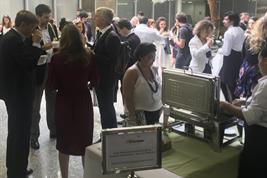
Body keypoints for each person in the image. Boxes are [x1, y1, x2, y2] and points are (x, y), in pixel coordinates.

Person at [47, 23, 97, 178]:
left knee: (64, 140)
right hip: (83, 100)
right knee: (85, 138)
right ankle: (86, 174)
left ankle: (65, 176)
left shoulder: (57, 57)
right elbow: (95, 80)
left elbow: (51, 84)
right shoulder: (89, 55)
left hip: (64, 100)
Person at [0, 10, 42, 178]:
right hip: (18, 94)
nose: (33, 31)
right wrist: (36, 44)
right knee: (20, 132)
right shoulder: (13, 41)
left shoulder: (13, 38)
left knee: (17, 131)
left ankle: (16, 166)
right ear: (23, 24)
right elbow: (28, 63)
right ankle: (16, 171)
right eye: (31, 27)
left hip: (15, 92)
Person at [220, 44, 267, 178]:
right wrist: (245, 101)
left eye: (259, 61)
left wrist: (225, 105)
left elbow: (250, 116)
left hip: (260, 139)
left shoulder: (265, 85)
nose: (258, 66)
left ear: (265, 60)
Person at [30, 4, 58, 150]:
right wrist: (43, 48)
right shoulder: (31, 30)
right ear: (38, 16)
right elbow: (29, 52)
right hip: (38, 71)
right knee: (35, 105)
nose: (48, 19)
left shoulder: (51, 28)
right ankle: (33, 137)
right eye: (46, 17)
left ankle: (54, 130)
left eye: (49, 16)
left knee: (52, 101)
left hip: (52, 67)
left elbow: (55, 42)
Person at [92, 7, 121, 129]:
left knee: (107, 107)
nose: (94, 18)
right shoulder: (102, 32)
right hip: (101, 77)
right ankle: (106, 133)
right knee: (103, 107)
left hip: (107, 78)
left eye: (96, 16)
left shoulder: (112, 36)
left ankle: (110, 133)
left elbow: (111, 61)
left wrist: (92, 55)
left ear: (104, 19)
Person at [123, 43, 162, 126]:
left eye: (154, 57)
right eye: (150, 57)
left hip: (156, 111)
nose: (153, 60)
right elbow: (127, 95)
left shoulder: (153, 69)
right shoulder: (132, 72)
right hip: (140, 113)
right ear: (141, 57)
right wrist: (132, 115)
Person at [115, 18, 141, 119]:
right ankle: (127, 112)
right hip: (126, 69)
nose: (119, 32)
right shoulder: (131, 38)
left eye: (119, 29)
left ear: (125, 28)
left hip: (129, 69)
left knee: (128, 92)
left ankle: (130, 114)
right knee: (125, 91)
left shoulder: (132, 39)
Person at [218, 11, 245, 102]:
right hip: (238, 57)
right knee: (233, 83)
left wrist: (219, 50)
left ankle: (230, 103)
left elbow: (226, 52)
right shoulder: (241, 30)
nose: (223, 21)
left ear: (232, 21)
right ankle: (235, 102)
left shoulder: (229, 33)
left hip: (230, 59)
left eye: (226, 19)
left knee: (223, 82)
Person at [234, 16, 262, 99]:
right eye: (249, 23)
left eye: (253, 23)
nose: (250, 25)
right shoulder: (249, 37)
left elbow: (243, 54)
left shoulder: (248, 38)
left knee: (246, 93)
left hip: (247, 68)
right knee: (254, 94)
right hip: (256, 70)